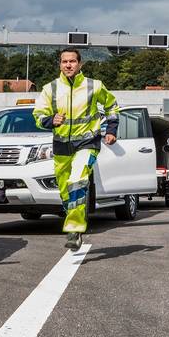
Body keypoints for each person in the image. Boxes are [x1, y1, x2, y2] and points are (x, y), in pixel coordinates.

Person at [33, 47, 120, 251]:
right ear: (60, 65)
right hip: (62, 146)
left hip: (88, 143)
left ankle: (74, 229)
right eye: (64, 62)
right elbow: (38, 115)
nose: (68, 65)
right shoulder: (50, 89)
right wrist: (49, 120)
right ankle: (74, 219)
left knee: (78, 180)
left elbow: (112, 106)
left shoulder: (94, 86)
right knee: (65, 191)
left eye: (72, 61)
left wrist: (111, 129)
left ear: (80, 64)